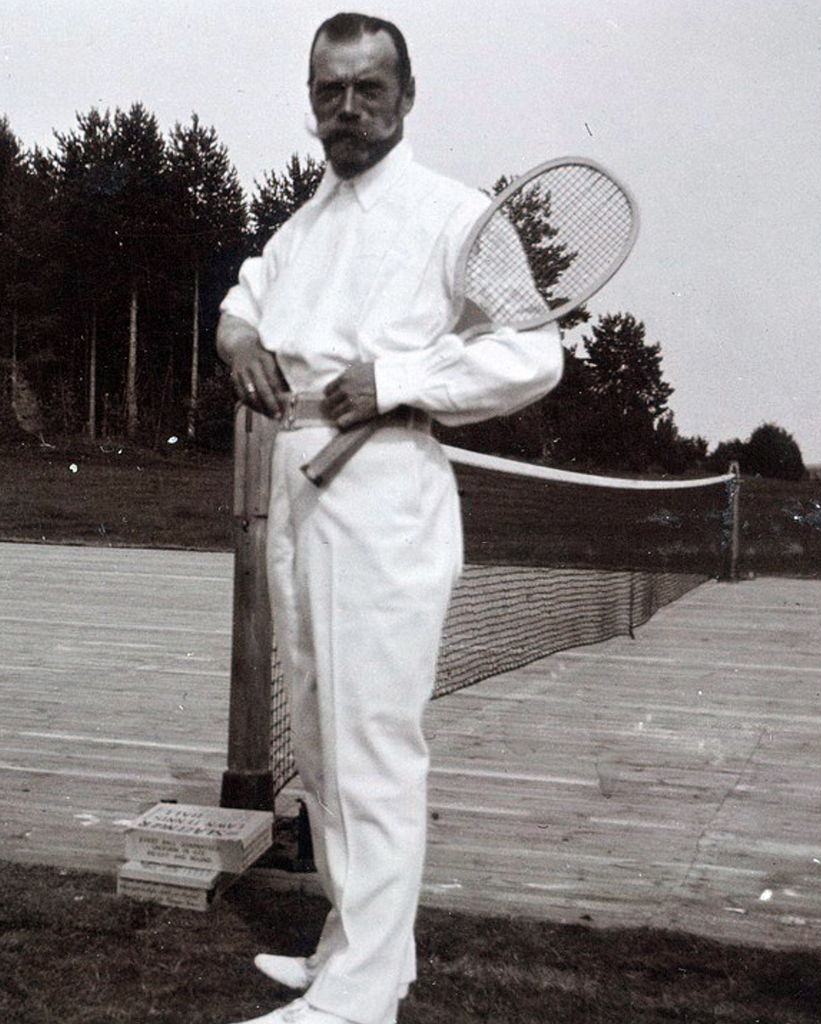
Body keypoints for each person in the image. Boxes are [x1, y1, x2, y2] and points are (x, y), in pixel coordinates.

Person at [216, 13, 562, 1024]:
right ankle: (355, 950)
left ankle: (359, 1001)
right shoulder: (303, 225)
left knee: (369, 740)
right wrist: (235, 332)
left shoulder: (457, 217)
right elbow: (250, 295)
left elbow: (534, 355)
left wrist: (404, 374)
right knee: (320, 744)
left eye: (369, 90)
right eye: (330, 91)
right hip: (298, 482)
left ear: (405, 98)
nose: (348, 110)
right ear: (311, 98)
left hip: (389, 490)